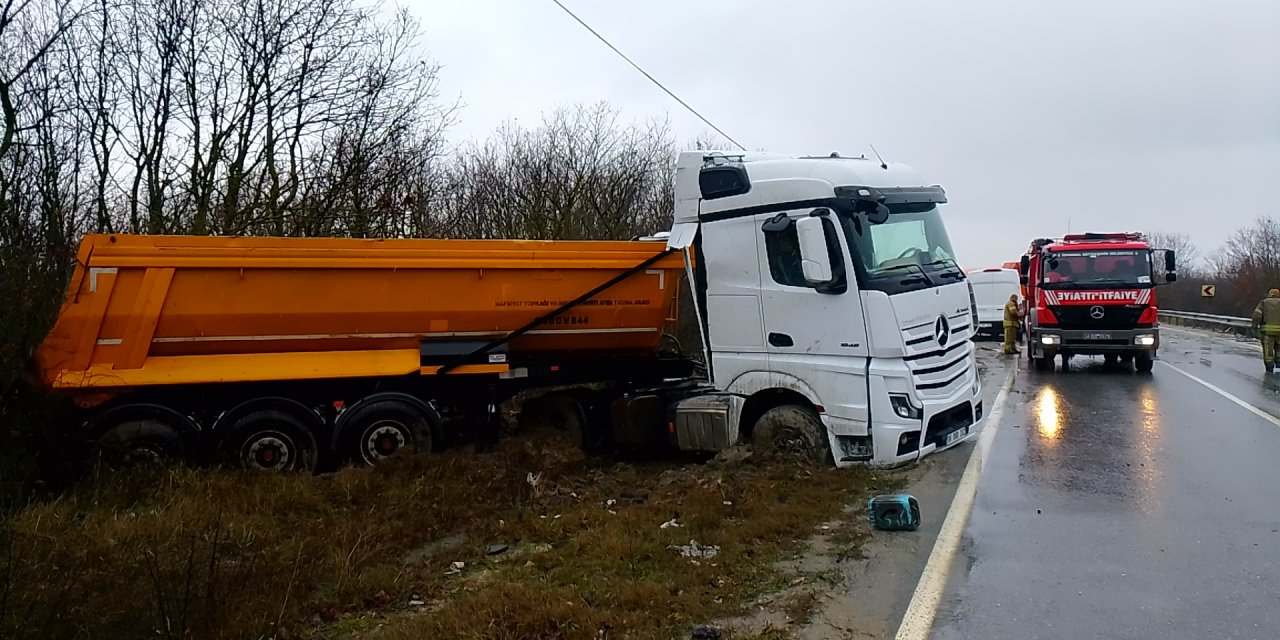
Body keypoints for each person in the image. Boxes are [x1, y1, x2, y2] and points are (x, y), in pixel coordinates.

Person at [1252, 288, 1280, 372]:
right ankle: (1279, 362)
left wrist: (1254, 326)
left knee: (1268, 350)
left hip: (1267, 332)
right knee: (1279, 348)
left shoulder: (1264, 302)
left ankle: (1269, 366)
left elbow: (1257, 315)